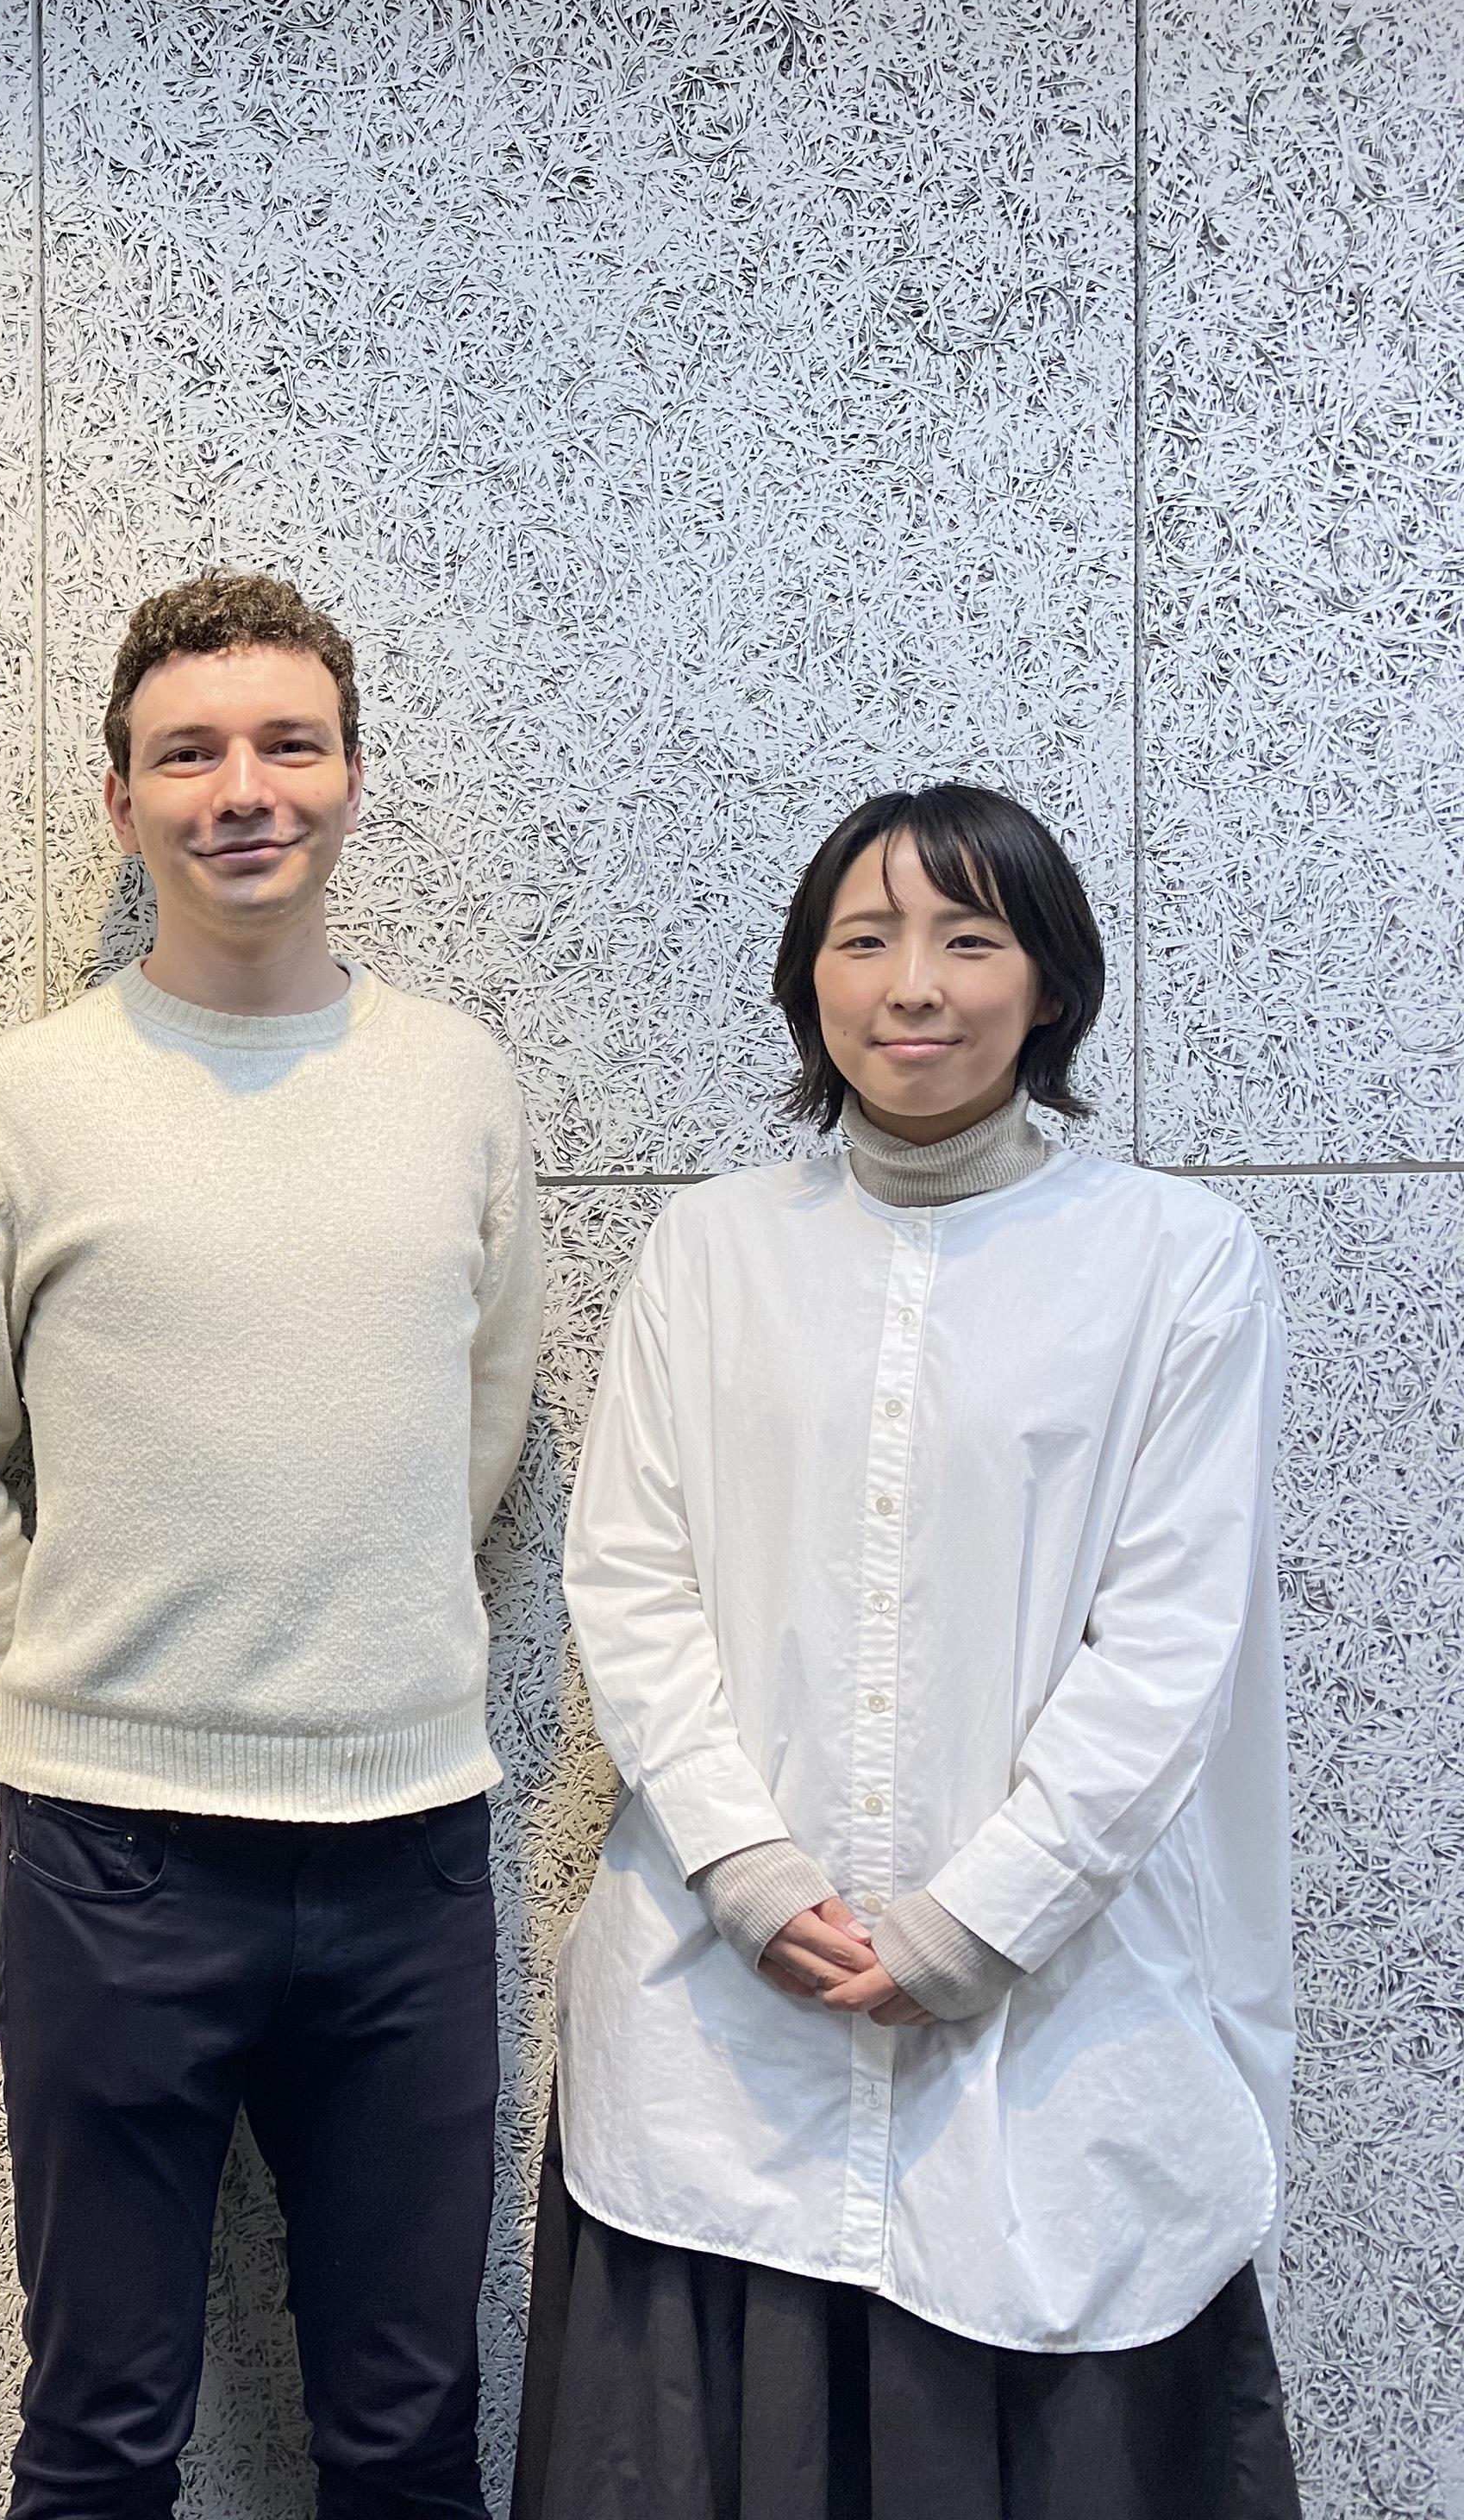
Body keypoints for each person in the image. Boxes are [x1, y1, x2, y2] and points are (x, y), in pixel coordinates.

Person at [518, 784, 1301, 2515]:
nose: (914, 984)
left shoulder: (1176, 1265)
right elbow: (630, 1579)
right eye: (865, 940)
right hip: (728, 2028)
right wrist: (741, 1859)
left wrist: (976, 1918)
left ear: (1051, 981)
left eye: (969, 937)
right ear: (810, 981)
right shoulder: (710, 1251)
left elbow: (1172, 1644)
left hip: (1054, 2033)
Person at [0, 571, 542, 2518]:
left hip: (408, 1843)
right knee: (100, 2436)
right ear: (122, 802)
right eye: (190, 754)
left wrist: (353, 1615)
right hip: (115, 1859)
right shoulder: (27, 1102)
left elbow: (485, 1408)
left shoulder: (458, 1083)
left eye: (287, 744)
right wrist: (74, 1667)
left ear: (351, 778)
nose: (245, 789)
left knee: (409, 2436)